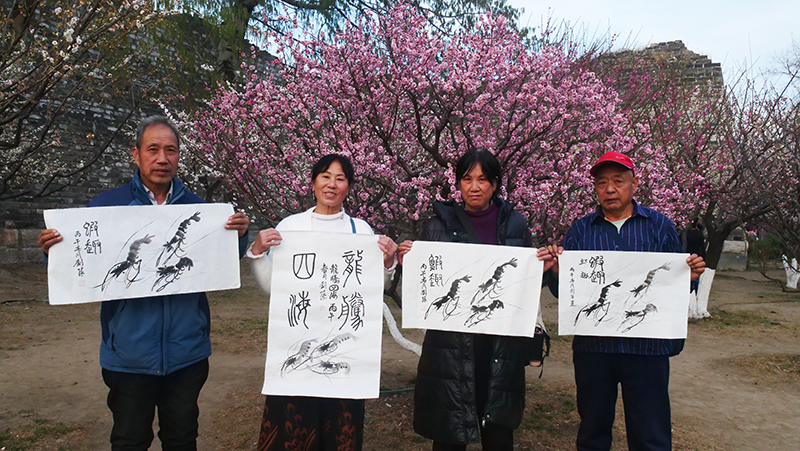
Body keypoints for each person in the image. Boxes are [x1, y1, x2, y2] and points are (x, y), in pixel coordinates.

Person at [37, 115, 250, 451]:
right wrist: (56, 251)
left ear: (179, 156)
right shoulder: (106, 208)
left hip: (187, 353)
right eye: (153, 149)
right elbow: (81, 267)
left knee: (182, 439)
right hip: (129, 355)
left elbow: (222, 263)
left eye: (170, 150)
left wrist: (237, 236)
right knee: (129, 439)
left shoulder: (200, 209)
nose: (162, 158)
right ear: (136, 155)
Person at [539, 151, 705, 451]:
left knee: (650, 433)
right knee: (592, 431)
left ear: (635, 183)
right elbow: (567, 294)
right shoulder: (581, 230)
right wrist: (559, 273)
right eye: (602, 183)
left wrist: (690, 277)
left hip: (645, 349)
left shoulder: (659, 226)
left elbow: (673, 285)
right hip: (594, 350)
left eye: (618, 181)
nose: (610, 189)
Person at [397, 148, 554, 451]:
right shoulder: (436, 225)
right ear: (458, 184)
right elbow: (426, 285)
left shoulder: (515, 225)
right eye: (467, 179)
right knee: (449, 432)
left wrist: (543, 269)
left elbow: (526, 285)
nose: (474, 186)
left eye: (483, 179)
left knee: (497, 431)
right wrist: (409, 262)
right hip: (451, 348)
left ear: (495, 184)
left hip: (498, 347)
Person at [247, 154, 398, 451]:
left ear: (349, 187)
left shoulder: (360, 231)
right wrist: (257, 252)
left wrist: (389, 261)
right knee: (291, 428)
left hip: (342, 352)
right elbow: (271, 288)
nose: (332, 184)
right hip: (297, 342)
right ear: (313, 182)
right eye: (325, 176)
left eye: (340, 178)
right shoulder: (291, 226)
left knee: (338, 429)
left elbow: (373, 289)